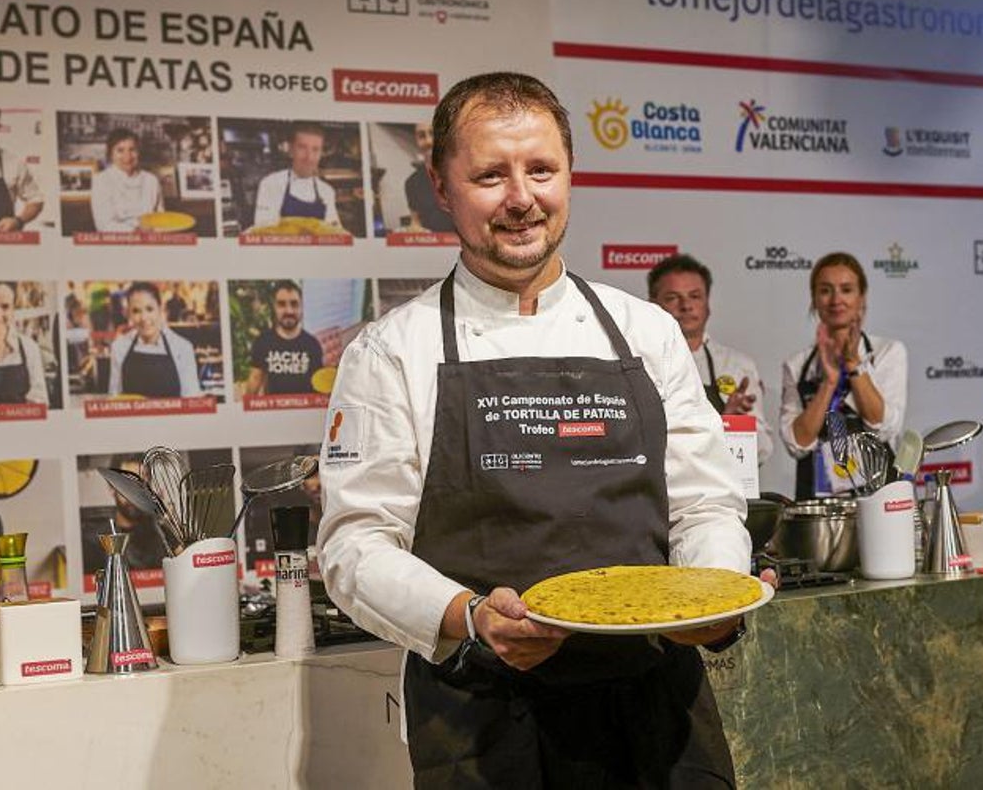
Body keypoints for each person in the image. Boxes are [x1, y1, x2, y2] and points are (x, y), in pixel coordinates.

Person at [318, 72, 752, 788]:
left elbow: (705, 504)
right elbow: (354, 545)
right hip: (486, 722)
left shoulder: (646, 332)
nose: (521, 199)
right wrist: (469, 614)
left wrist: (712, 596)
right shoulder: (393, 350)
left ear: (570, 175)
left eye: (541, 170)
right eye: (490, 174)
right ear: (441, 185)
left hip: (655, 714)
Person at [779, 252, 907, 499]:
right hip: (818, 508)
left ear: (862, 298)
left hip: (877, 500)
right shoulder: (796, 365)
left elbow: (883, 427)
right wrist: (829, 383)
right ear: (814, 299)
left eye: (846, 290)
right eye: (825, 290)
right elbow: (798, 442)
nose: (836, 299)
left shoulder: (888, 352)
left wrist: (852, 363)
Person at [649, 253, 774, 464]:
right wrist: (720, 425)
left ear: (708, 304)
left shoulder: (738, 366)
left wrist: (735, 425)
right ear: (652, 305)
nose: (686, 306)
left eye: (695, 296)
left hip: (725, 492)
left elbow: (762, 450)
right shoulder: (639, 365)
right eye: (672, 297)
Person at [107, 282, 201, 398]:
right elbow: (114, 398)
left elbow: (192, 401)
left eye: (149, 309)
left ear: (160, 310)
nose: (144, 318)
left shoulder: (182, 348)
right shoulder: (120, 347)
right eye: (136, 311)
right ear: (129, 314)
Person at [252, 122, 341, 228]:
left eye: (315, 149)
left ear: (321, 153)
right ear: (290, 150)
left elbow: (335, 231)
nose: (309, 157)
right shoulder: (271, 184)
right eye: (302, 148)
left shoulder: (326, 191)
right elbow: (264, 231)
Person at [244, 280, 324, 396]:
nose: (289, 311)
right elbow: (255, 379)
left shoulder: (313, 345)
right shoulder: (262, 342)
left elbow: (319, 388)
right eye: (282, 304)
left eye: (294, 304)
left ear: (301, 307)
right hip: (272, 412)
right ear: (274, 307)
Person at [89, 128, 163, 232]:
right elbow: (103, 225)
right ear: (110, 154)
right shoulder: (101, 181)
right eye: (120, 150)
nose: (127, 156)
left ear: (138, 152)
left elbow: (162, 219)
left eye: (132, 149)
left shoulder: (152, 180)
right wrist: (136, 230)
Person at [404, 121, 455, 233]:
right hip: (432, 247)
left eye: (433, 134)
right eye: (422, 136)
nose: (428, 141)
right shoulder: (412, 182)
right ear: (416, 141)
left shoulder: (462, 174)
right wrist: (414, 228)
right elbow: (415, 221)